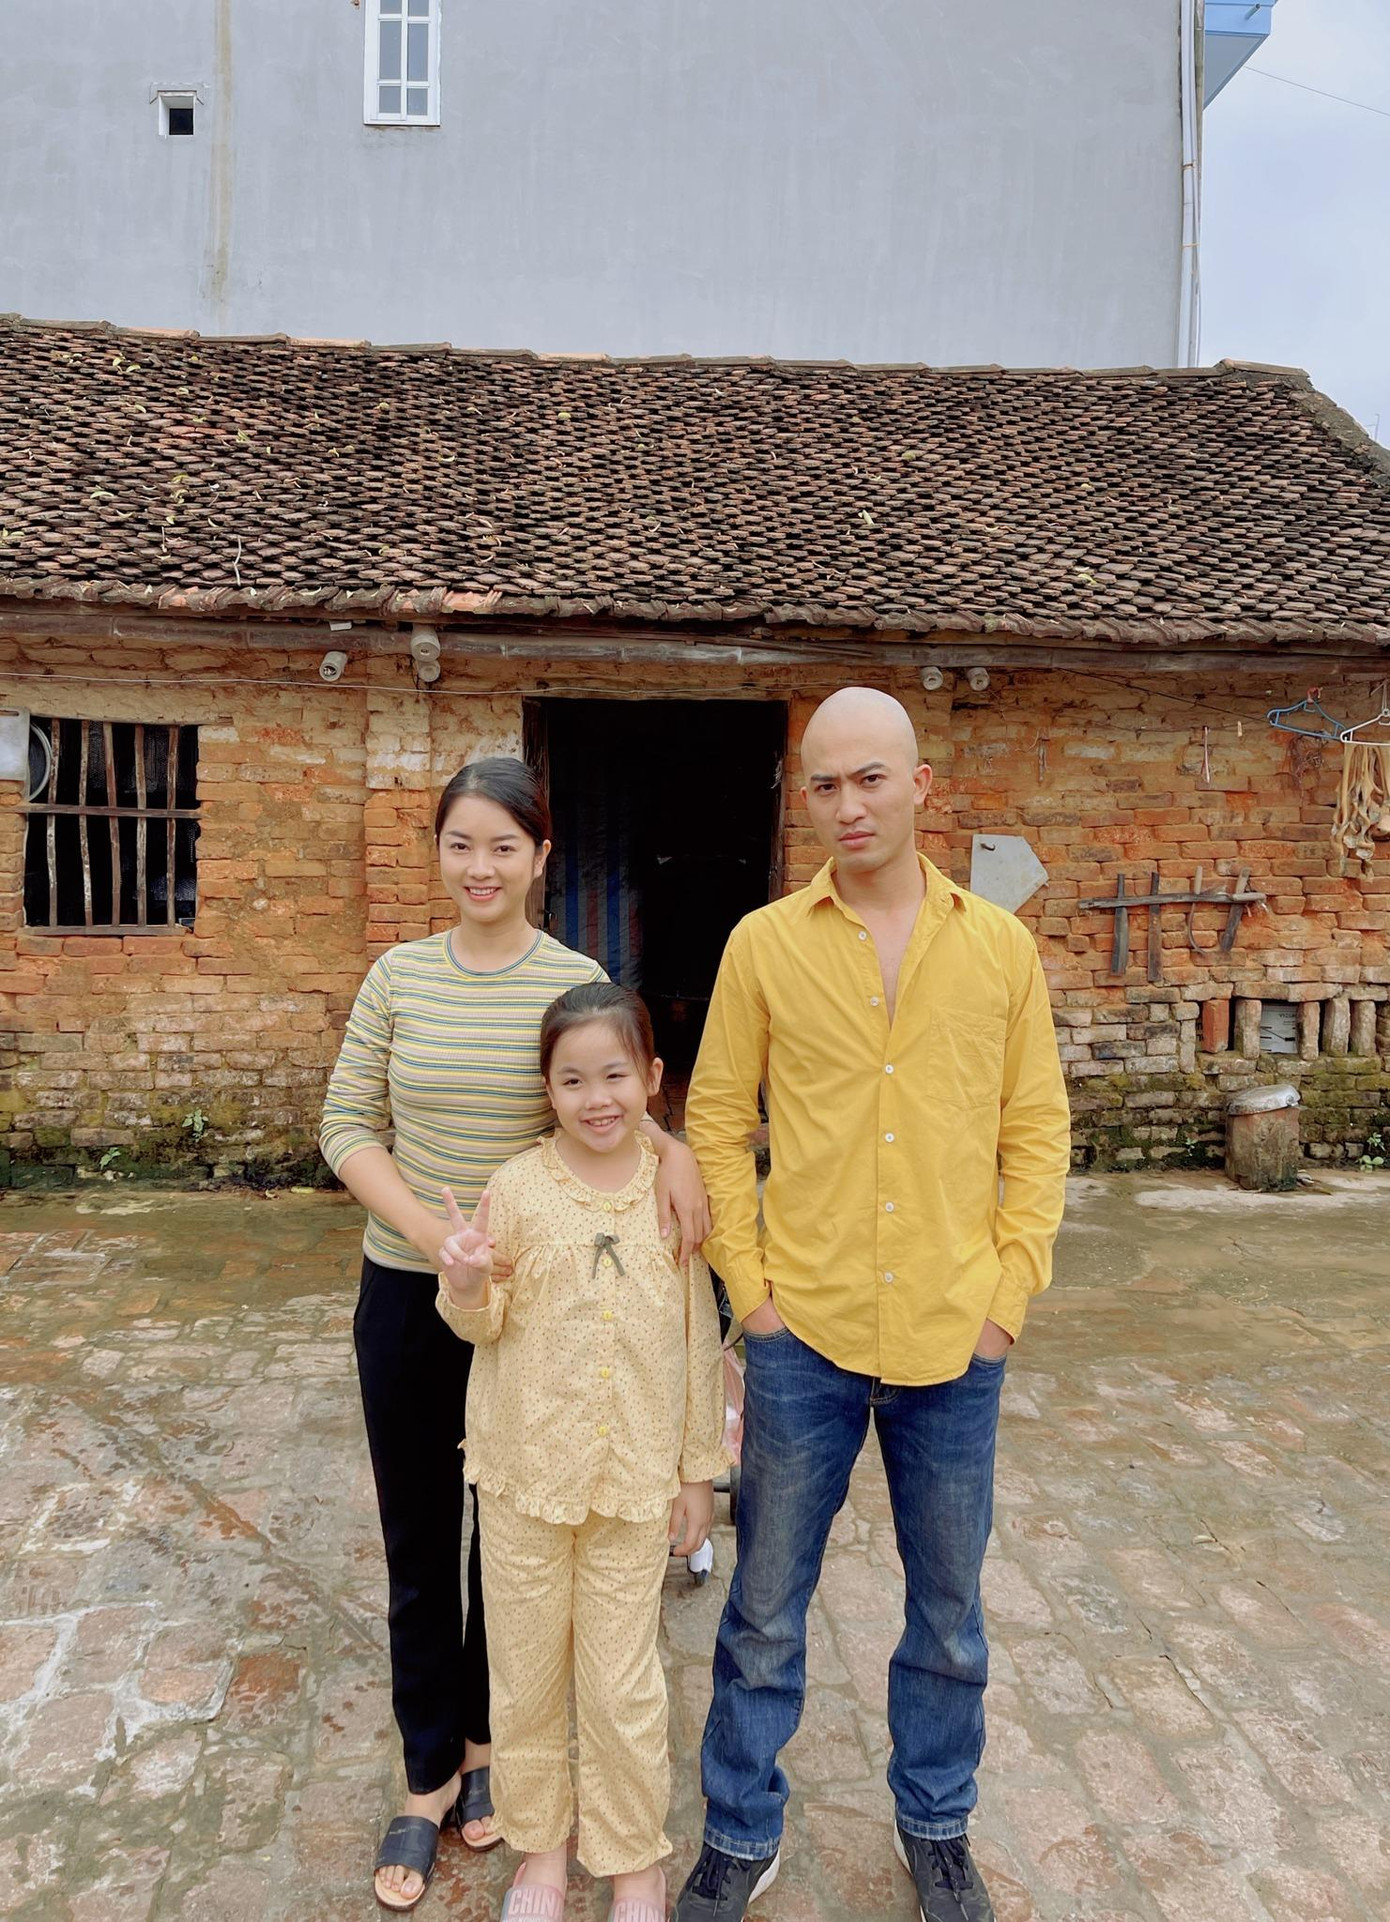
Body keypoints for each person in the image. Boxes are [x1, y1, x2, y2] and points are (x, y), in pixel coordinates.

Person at [674, 688, 1071, 1922]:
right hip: (806, 1331)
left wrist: (1006, 1296)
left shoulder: (996, 948)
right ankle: (739, 1827)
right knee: (762, 1608)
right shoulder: (764, 945)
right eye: (825, 783)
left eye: (870, 778)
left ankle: (937, 1823)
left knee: (947, 1615)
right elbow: (713, 1116)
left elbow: (1035, 1129)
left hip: (956, 1336)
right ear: (806, 796)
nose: (848, 804)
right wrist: (753, 1293)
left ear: (920, 785)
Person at [319, 759, 710, 1914]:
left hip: (544, 1313)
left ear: (541, 854)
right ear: (437, 852)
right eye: (461, 844)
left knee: (519, 1543)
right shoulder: (398, 976)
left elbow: (614, 1093)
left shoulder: (573, 977)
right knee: (418, 1541)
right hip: (416, 1291)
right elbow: (345, 1122)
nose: (481, 866)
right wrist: (436, 1236)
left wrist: (678, 1150)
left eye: (504, 845)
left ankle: (497, 1752)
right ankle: (429, 1771)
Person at [435, 981, 728, 1922]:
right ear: (547, 1090)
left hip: (634, 1482)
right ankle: (542, 1849)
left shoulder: (672, 1194)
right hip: (522, 1478)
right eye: (572, 1080)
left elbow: (697, 1338)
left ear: (651, 1077)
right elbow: (481, 1324)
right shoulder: (518, 1189)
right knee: (524, 1678)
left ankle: (634, 1859)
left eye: (614, 1076)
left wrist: (696, 1473)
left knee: (622, 1684)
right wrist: (464, 1282)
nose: (596, 1098)